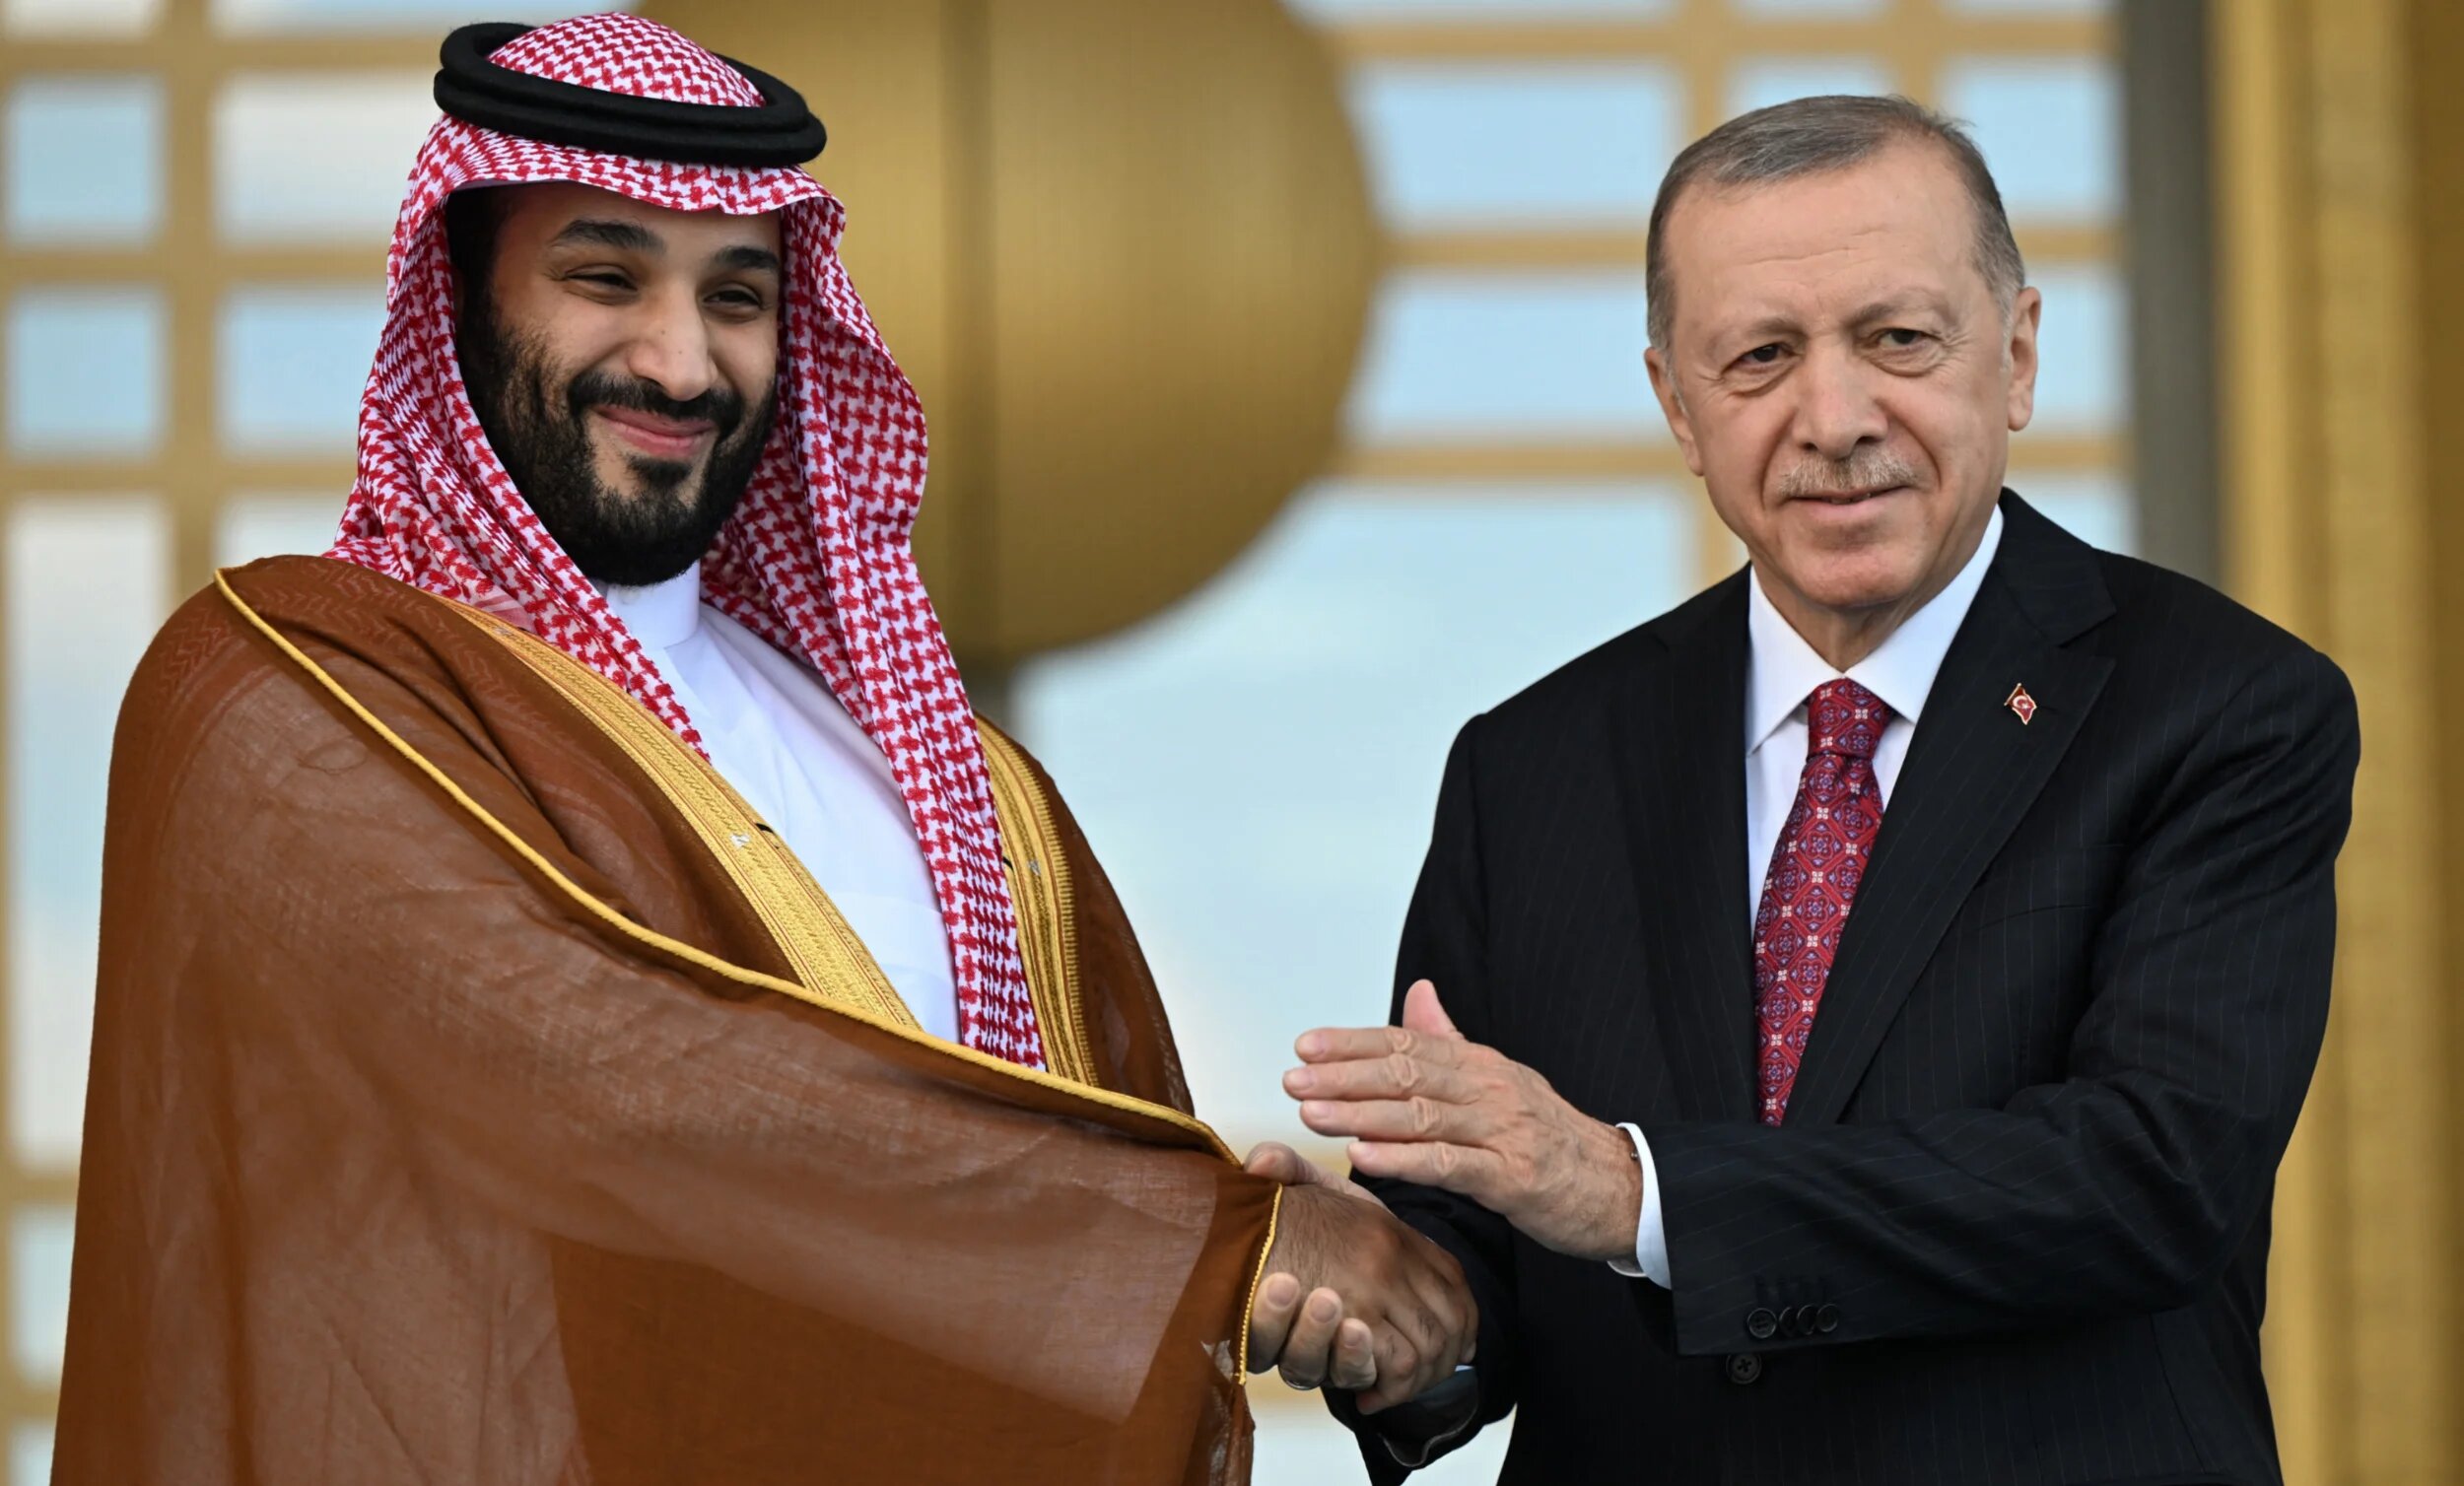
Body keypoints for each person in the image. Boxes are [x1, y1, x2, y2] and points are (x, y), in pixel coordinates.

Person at [50, 16, 1469, 1483]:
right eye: (605, 278)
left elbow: (1104, 1188)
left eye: (738, 297)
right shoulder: (291, 690)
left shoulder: (951, 778)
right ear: (458, 289)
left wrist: (1343, 1289)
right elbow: (594, 1083)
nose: (681, 362)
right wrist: (1221, 1243)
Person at [1290, 95, 2358, 1484]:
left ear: (2018, 356)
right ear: (1679, 403)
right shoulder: (1532, 762)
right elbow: (1487, 1247)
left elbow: (2148, 1177)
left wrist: (1637, 1193)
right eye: (1761, 357)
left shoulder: (2219, 707)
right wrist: (1390, 1304)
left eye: (1898, 340)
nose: (1836, 417)